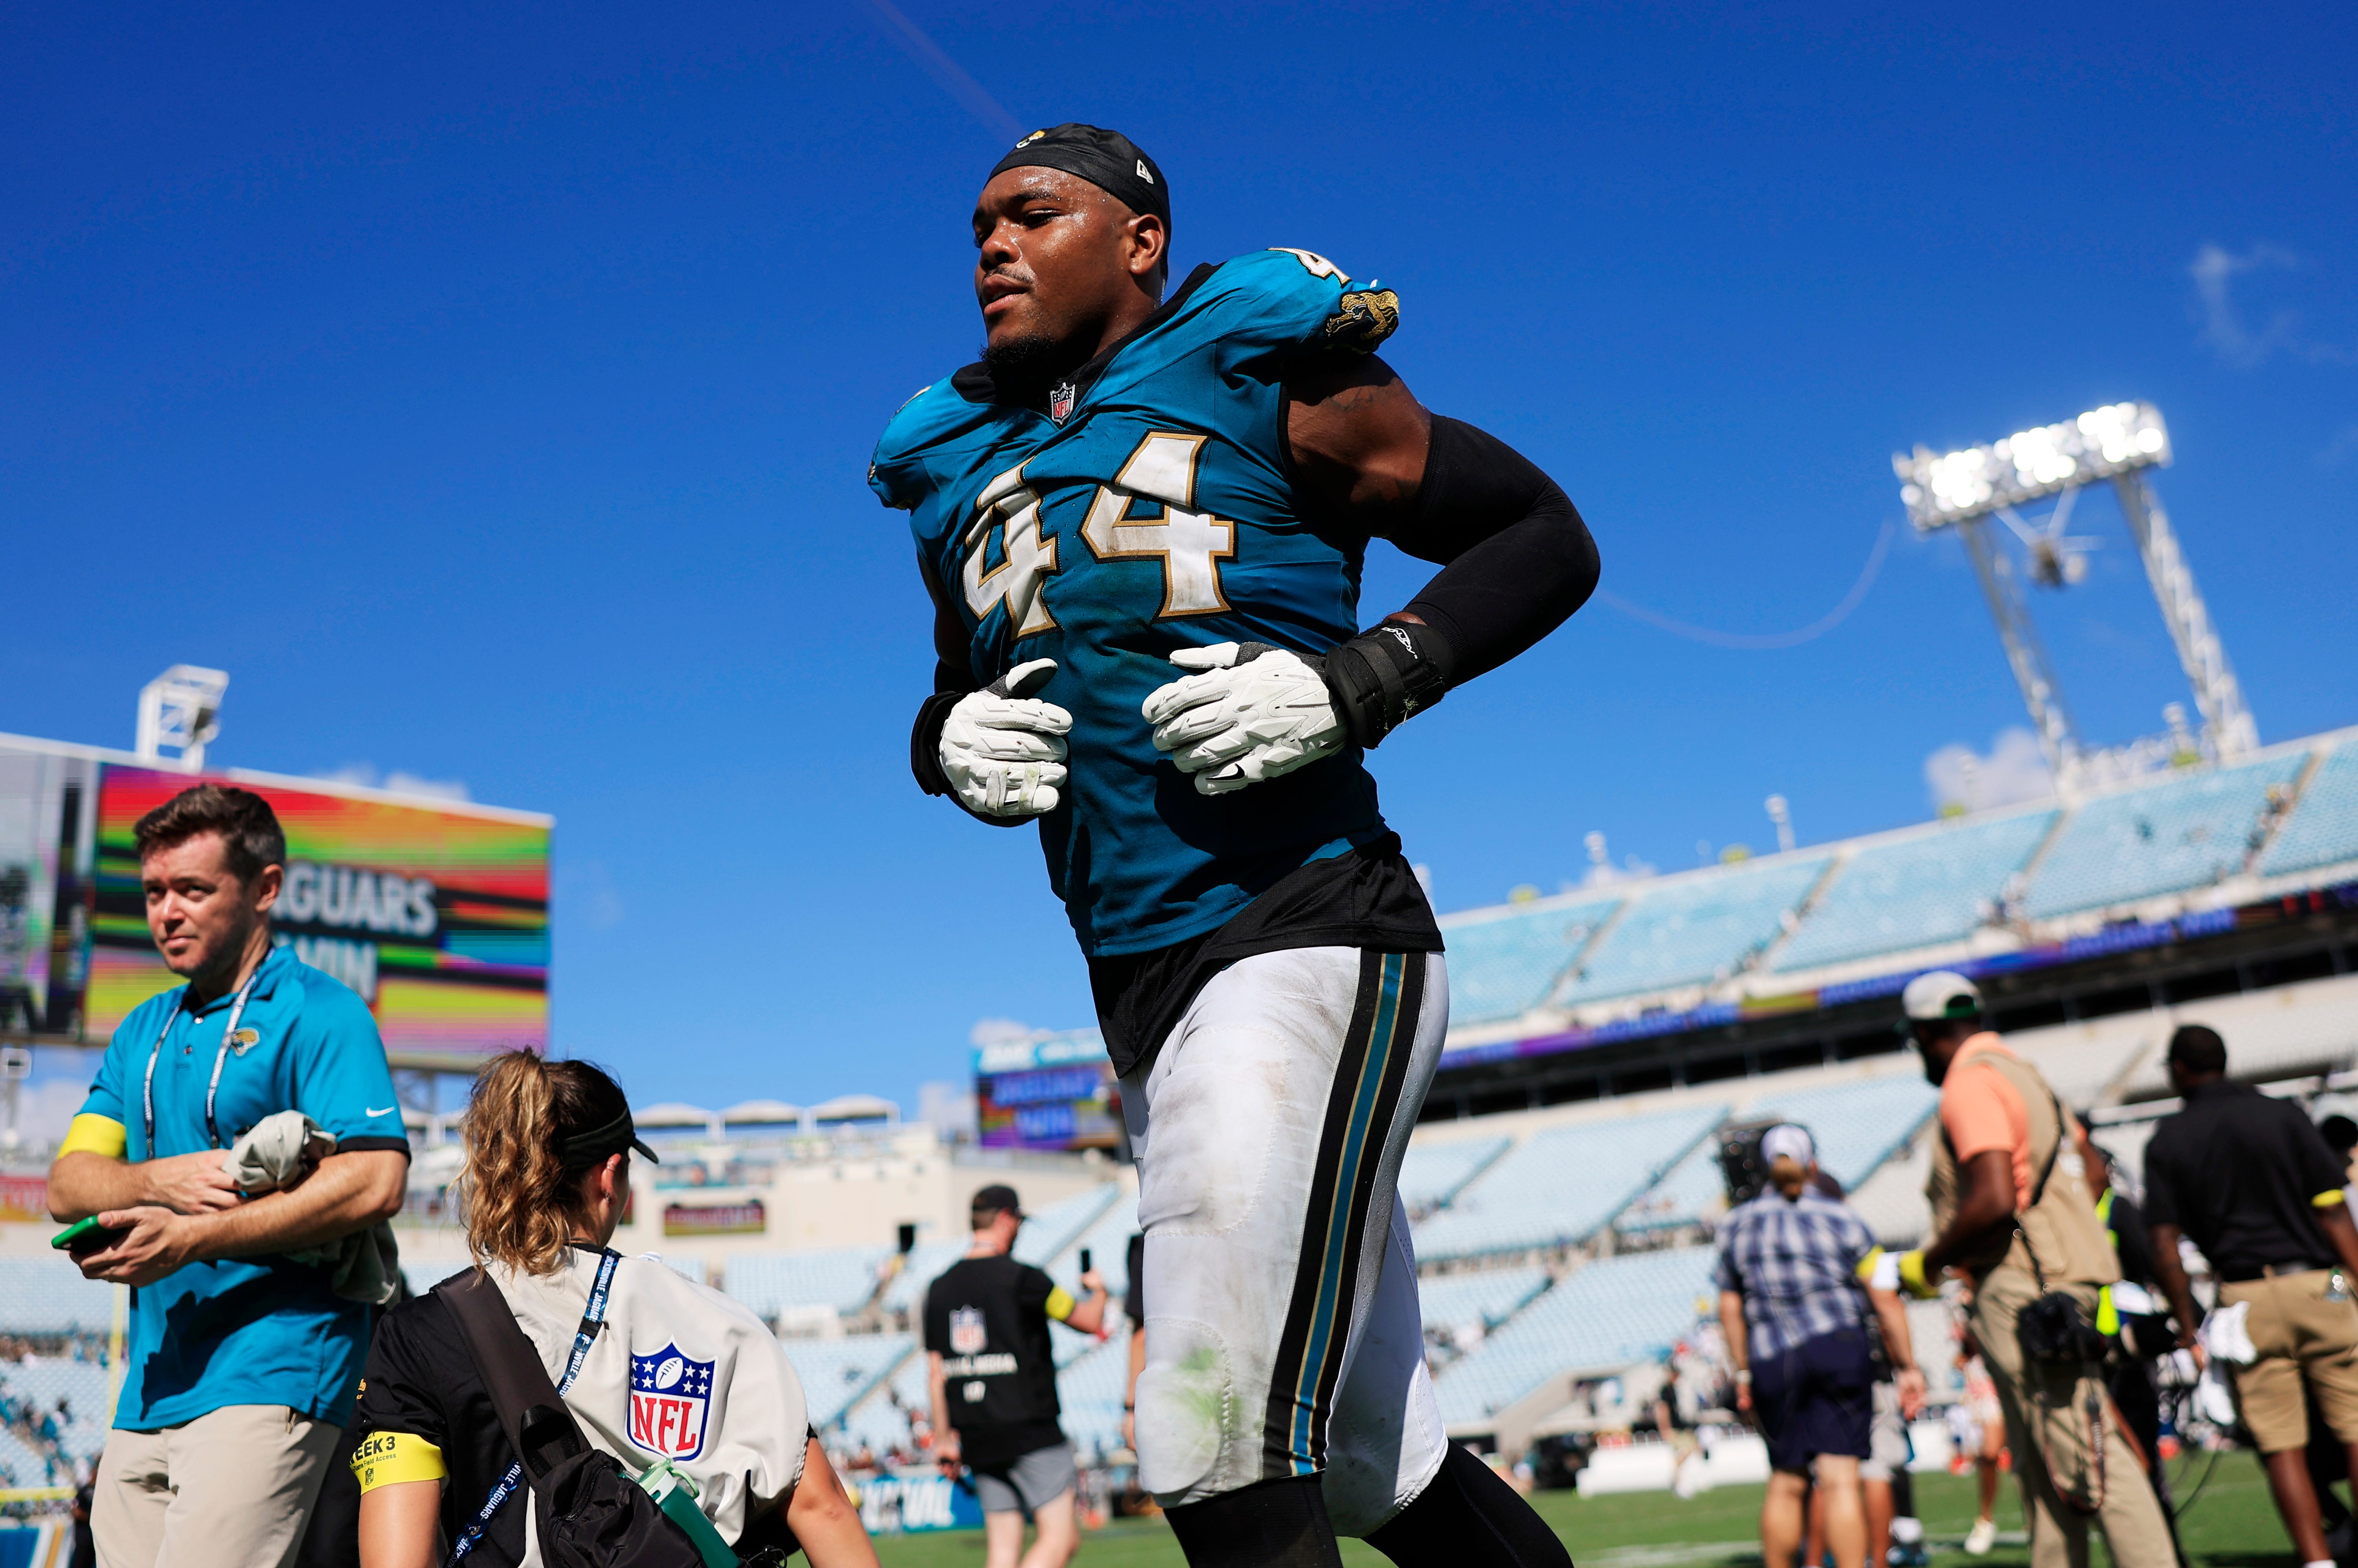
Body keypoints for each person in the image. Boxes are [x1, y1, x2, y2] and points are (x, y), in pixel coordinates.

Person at [871, 120, 1596, 1568]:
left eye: (1030, 214)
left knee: (1205, 1427)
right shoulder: (961, 460)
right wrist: (938, 746)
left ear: (1140, 236)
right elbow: (964, 685)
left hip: (1305, 922)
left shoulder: (1258, 370)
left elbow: (1541, 535)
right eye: (975, 229)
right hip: (1137, 974)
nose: (991, 249)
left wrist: (1364, 674)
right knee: (1375, 1465)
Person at [48, 785, 411, 1568]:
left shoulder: (323, 1012)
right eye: (153, 892)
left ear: (265, 890)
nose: (166, 912)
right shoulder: (142, 1028)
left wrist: (197, 1236)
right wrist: (160, 1181)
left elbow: (377, 1178)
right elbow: (69, 1183)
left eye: (193, 890)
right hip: (149, 1385)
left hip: (275, 1365)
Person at [348, 1052, 875, 1568]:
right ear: (610, 1174)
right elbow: (821, 1503)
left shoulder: (418, 1334)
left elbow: (398, 1557)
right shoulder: (718, 1320)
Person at [1890, 971, 2175, 1568]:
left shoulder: (1968, 1084)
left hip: (2023, 1285)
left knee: (2090, 1456)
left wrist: (1930, 1261)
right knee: (2044, 1462)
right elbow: (2094, 1172)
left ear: (1926, 1032)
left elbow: (1993, 1196)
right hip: (2058, 1275)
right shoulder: (2026, 1075)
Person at [2144, 1024, 2358, 1568]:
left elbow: (2165, 1245)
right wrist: (2350, 1283)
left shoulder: (2168, 1138)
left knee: (2279, 1441)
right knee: (2356, 1422)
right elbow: (2332, 1207)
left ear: (2179, 1070)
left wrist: (2189, 1323)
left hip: (2242, 1294)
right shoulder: (2281, 1113)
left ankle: (2316, 1561)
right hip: (2322, 1280)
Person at [1714, 1125, 1925, 1568]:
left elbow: (1731, 1307)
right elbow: (1884, 1298)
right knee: (1841, 1478)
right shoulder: (1843, 1218)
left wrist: (1743, 1372)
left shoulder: (1736, 1225)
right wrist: (1907, 1365)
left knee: (1787, 1481)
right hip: (1840, 1350)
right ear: (1813, 1164)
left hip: (1773, 1357)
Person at [924, 1185, 1108, 1568]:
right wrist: (1099, 1293)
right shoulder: (1026, 1279)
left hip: (977, 1436)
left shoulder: (938, 1290)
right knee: (1060, 1539)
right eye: (1020, 1222)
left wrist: (944, 1439)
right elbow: (1090, 1322)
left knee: (1003, 1551)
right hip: (1031, 1431)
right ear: (1006, 1219)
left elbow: (936, 1374)